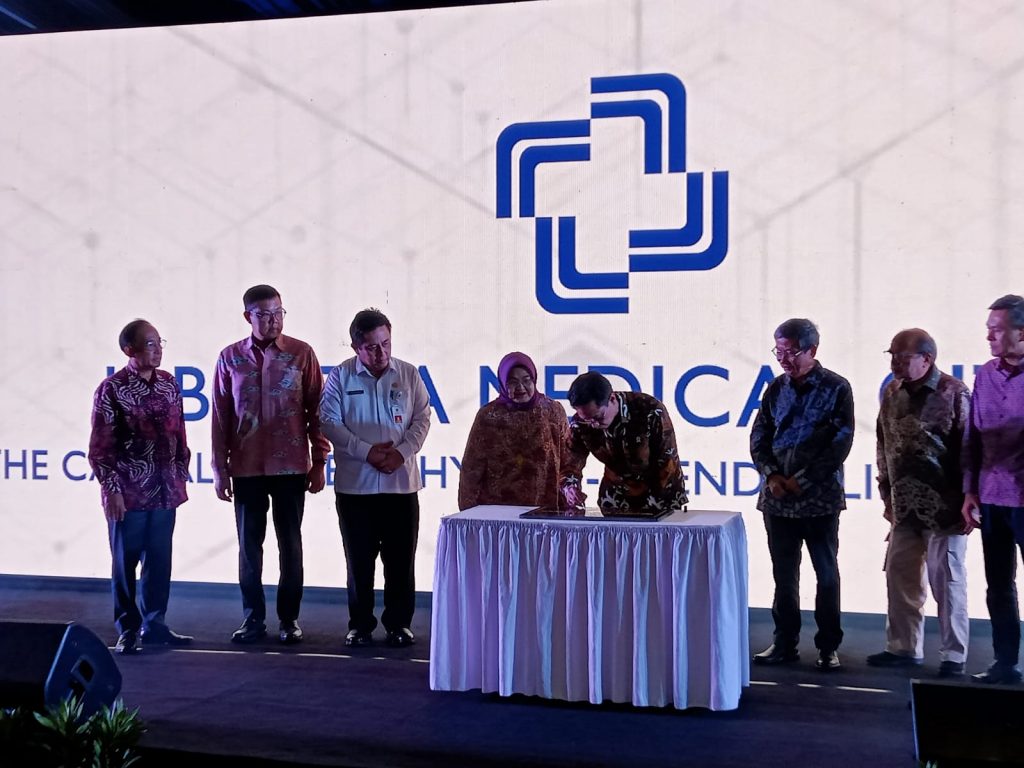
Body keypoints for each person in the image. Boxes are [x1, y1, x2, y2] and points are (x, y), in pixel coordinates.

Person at [211, 285, 330, 645]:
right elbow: (220, 418)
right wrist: (219, 469)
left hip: (291, 466)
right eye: (264, 315)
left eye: (278, 313)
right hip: (246, 467)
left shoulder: (301, 353)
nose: (273, 320)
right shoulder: (230, 358)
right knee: (250, 548)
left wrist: (320, 460)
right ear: (248, 317)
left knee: (290, 545)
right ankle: (253, 618)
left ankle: (289, 619)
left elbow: (318, 412)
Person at [320, 308, 431, 648]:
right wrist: (367, 452)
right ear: (356, 347)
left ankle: (399, 624)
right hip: (356, 487)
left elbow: (422, 418)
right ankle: (360, 625)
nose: (381, 353)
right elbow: (329, 422)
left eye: (386, 344)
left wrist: (401, 452)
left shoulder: (408, 374)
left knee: (401, 561)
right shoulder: (340, 376)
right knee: (359, 562)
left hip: (401, 483)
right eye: (371, 347)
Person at [750, 318, 854, 671]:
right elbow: (760, 435)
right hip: (777, 499)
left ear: (812, 350)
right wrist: (771, 474)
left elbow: (840, 443)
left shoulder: (837, 388)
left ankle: (828, 646)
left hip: (819, 500)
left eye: (791, 352)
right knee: (784, 576)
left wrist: (803, 480)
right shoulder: (776, 388)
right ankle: (784, 642)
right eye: (779, 351)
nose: (784, 359)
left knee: (826, 575)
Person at [868, 329, 970, 677]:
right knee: (900, 577)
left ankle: (953, 654)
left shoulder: (954, 393)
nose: (895, 363)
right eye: (892, 355)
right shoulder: (891, 391)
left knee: (948, 582)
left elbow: (969, 450)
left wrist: (968, 499)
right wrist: (886, 492)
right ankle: (903, 647)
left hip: (946, 507)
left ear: (927, 359)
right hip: (903, 505)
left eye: (903, 357)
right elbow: (883, 444)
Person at [88, 320, 192, 654]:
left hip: (165, 490)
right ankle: (128, 629)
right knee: (125, 563)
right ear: (129, 350)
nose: (157, 349)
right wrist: (112, 489)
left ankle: (155, 624)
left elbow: (180, 434)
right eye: (149, 344)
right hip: (128, 493)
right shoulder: (112, 389)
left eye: (159, 342)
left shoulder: (169, 384)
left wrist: (180, 474)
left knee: (159, 562)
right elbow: (100, 449)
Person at [962, 294, 1024, 685]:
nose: (989, 337)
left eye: (996, 330)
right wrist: (970, 491)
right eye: (988, 330)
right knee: (999, 586)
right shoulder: (985, 374)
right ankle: (1005, 663)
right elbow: (972, 437)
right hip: (991, 496)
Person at [561, 371, 687, 514]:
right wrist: (570, 488)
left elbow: (667, 462)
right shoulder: (580, 423)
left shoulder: (649, 410)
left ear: (612, 399)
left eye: (598, 417)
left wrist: (656, 511)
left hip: (661, 495)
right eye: (587, 419)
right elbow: (570, 463)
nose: (593, 424)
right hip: (615, 499)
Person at [458, 352, 571, 510]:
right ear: (503, 383)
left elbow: (568, 461)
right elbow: (472, 468)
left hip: (545, 508)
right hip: (498, 511)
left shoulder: (553, 411)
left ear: (534, 380)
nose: (520, 387)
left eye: (526, 380)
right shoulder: (488, 416)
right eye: (512, 382)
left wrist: (570, 501)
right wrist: (468, 512)